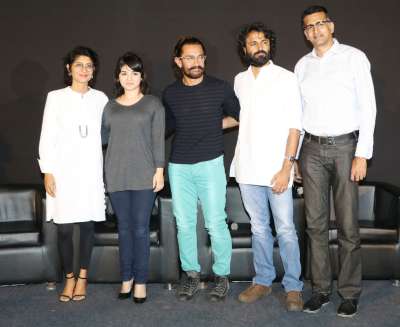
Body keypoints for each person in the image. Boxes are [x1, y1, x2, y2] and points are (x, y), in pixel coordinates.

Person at [295, 5, 376, 318]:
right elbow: (299, 116)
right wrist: (298, 157)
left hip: (345, 148)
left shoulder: (354, 57)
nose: (315, 30)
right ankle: (319, 290)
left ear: (331, 25)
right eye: (309, 27)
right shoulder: (302, 65)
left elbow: (368, 108)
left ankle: (350, 292)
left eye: (320, 24)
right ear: (305, 33)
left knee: (347, 226)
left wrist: (362, 154)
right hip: (311, 150)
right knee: (314, 225)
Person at [231, 22, 304, 311]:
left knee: (285, 229)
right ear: (245, 49)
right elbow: (241, 118)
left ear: (270, 45)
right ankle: (262, 280)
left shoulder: (286, 78)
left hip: (277, 169)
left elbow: (295, 126)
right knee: (259, 229)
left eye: (263, 41)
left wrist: (287, 167)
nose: (259, 46)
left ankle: (294, 287)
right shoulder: (239, 80)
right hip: (247, 167)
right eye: (252, 42)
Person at [162, 36, 240, 302]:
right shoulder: (170, 93)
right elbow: (166, 128)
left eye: (200, 57)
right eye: (189, 57)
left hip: (210, 164)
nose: (196, 63)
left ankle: (221, 276)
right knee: (184, 224)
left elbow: (239, 117)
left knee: (216, 222)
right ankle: (191, 275)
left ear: (205, 59)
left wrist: (212, 125)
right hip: (179, 166)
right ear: (178, 61)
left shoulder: (220, 88)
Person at [38, 46, 108, 302]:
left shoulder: (100, 98)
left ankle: (83, 276)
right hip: (64, 170)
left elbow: (110, 133)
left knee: (88, 226)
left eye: (89, 66)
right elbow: (47, 135)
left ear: (94, 71)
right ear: (69, 69)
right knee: (65, 228)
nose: (84, 70)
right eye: (79, 65)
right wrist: (48, 171)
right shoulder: (55, 97)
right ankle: (68, 277)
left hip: (90, 170)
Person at [102, 52, 165, 304]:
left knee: (140, 230)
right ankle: (125, 278)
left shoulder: (152, 104)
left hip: (144, 176)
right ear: (118, 76)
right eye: (124, 73)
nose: (129, 78)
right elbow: (103, 140)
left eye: (134, 73)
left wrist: (159, 170)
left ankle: (141, 281)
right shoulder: (109, 107)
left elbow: (158, 139)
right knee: (123, 230)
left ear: (142, 76)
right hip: (116, 175)